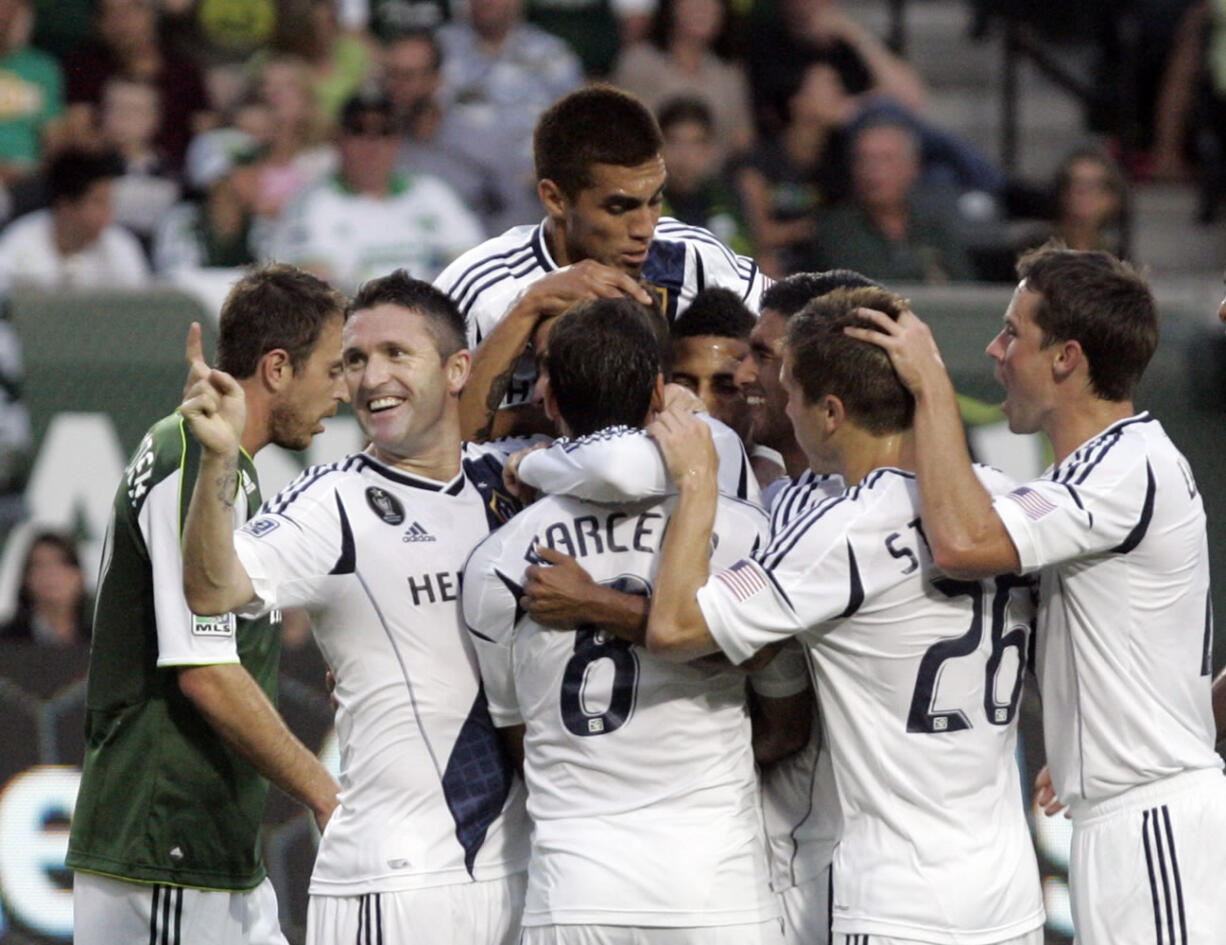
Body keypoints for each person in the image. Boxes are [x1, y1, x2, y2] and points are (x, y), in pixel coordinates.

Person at [644, 285, 1046, 945]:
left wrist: (697, 480)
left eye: (791, 389)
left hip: (899, 900)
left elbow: (674, 627)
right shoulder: (1005, 504)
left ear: (830, 412)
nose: (780, 402)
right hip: (1009, 894)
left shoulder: (842, 534)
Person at [851, 245, 1226, 943]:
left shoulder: (1125, 466)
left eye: (1013, 332)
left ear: (1066, 359)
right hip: (1126, 817)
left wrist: (930, 383)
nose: (996, 351)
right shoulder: (1102, 470)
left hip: (1154, 823)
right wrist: (1126, 728)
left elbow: (961, 543)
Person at [179, 270, 530, 945]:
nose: (370, 378)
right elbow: (212, 587)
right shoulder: (332, 502)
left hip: (518, 873)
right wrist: (219, 463)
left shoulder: (515, 483)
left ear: (458, 369)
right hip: (394, 884)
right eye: (355, 360)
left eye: (397, 354)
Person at [462, 297, 788, 944]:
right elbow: (785, 713)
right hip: (715, 884)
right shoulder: (746, 533)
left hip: (578, 888)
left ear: (550, 399)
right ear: (661, 395)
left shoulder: (498, 560)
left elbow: (519, 734)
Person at [66, 264, 348, 945]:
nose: (342, 391)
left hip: (210, 845)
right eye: (333, 369)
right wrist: (326, 791)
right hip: (162, 840)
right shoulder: (190, 453)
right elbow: (204, 669)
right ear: (278, 367)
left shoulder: (217, 464)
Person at [437, 84, 770, 440]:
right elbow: (423, 438)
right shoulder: (481, 286)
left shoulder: (691, 259)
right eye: (619, 207)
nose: (645, 228)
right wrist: (527, 309)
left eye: (654, 200)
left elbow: (804, 340)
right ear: (555, 199)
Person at [273, 89, 482, 293]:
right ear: (338, 138)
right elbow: (313, 288)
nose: (371, 144)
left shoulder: (433, 194)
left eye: (384, 131)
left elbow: (472, 267)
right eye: (359, 130)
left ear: (397, 141)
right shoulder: (313, 203)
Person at [812, 117, 974, 283]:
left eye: (885, 159)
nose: (872, 170)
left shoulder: (934, 229)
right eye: (864, 160)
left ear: (912, 168)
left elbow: (965, 289)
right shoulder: (835, 230)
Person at [0, 146, 150, 289]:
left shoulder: (121, 245)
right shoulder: (19, 244)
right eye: (98, 202)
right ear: (66, 206)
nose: (108, 211)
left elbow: (142, 308)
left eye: (109, 202)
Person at [0, 529, 90, 645]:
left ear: (80, 576)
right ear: (25, 578)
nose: (50, 574)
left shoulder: (102, 641)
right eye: (39, 565)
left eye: (62, 563)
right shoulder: (7, 640)